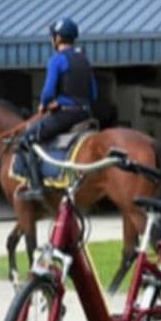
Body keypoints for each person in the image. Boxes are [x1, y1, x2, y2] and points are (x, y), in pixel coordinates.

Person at [15, 17, 98, 201]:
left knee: (26, 139)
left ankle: (36, 187)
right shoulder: (85, 60)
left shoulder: (57, 60)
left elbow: (47, 93)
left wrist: (47, 103)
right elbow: (94, 94)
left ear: (58, 38)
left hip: (66, 114)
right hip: (85, 114)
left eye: (53, 36)